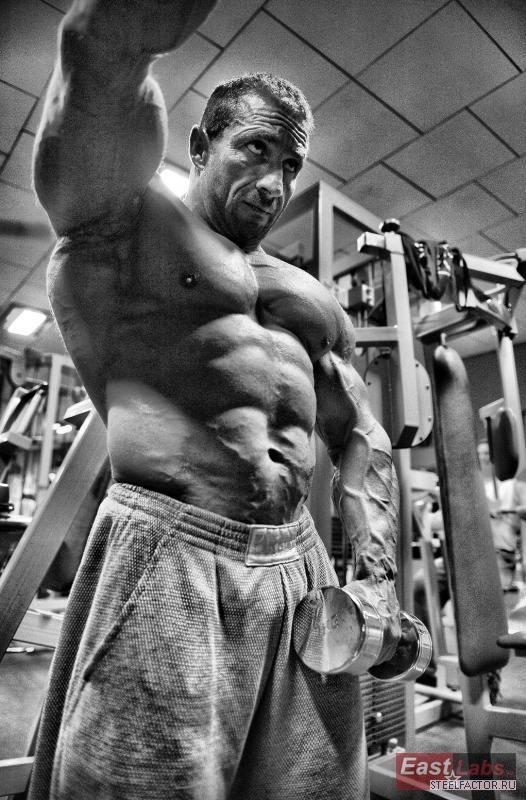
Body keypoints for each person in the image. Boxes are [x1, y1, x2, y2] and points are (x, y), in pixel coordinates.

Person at [28, 2, 401, 798]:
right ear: (200, 146)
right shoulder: (126, 227)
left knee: (315, 786)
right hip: (174, 550)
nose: (273, 184)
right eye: (255, 149)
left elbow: (360, 430)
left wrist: (374, 568)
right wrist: (128, 29)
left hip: (299, 568)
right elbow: (97, 61)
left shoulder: (310, 300)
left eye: (290, 165)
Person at [477, 440, 520, 592]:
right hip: (477, 550)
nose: (482, 457)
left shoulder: (509, 485)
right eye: (479, 454)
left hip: (500, 550)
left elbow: (511, 516)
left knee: (497, 597)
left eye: (486, 453)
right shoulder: (476, 485)